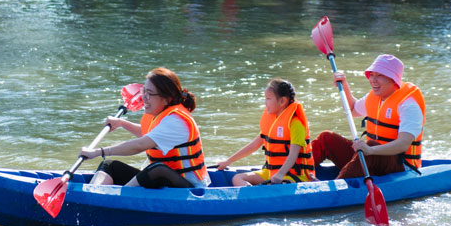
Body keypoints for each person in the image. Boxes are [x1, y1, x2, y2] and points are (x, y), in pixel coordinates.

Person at [80, 67, 210, 189]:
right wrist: (122, 123)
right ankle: (93, 194)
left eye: (150, 93)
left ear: (166, 99)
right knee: (109, 166)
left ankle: (118, 199)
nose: (144, 98)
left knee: (157, 169)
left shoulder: (176, 121)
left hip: (189, 187)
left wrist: (98, 152)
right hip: (168, 182)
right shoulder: (159, 113)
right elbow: (146, 133)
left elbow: (140, 145)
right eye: (144, 91)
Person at [310, 54, 425, 179]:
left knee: (370, 145)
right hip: (371, 155)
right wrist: (344, 85)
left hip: (401, 166)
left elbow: (403, 144)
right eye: (372, 74)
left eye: (379, 75)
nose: (373, 80)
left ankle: (337, 187)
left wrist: (371, 150)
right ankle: (296, 172)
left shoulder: (409, 105)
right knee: (326, 138)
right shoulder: (374, 96)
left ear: (393, 79)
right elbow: (353, 109)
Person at [217, 79, 315, 186]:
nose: (265, 102)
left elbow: (293, 155)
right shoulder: (272, 122)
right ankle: (254, 197)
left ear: (282, 101)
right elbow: (253, 146)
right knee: (237, 178)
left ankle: (257, 195)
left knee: (274, 186)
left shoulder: (296, 124)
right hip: (271, 172)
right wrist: (228, 161)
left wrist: (280, 174)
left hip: (294, 176)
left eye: (268, 99)